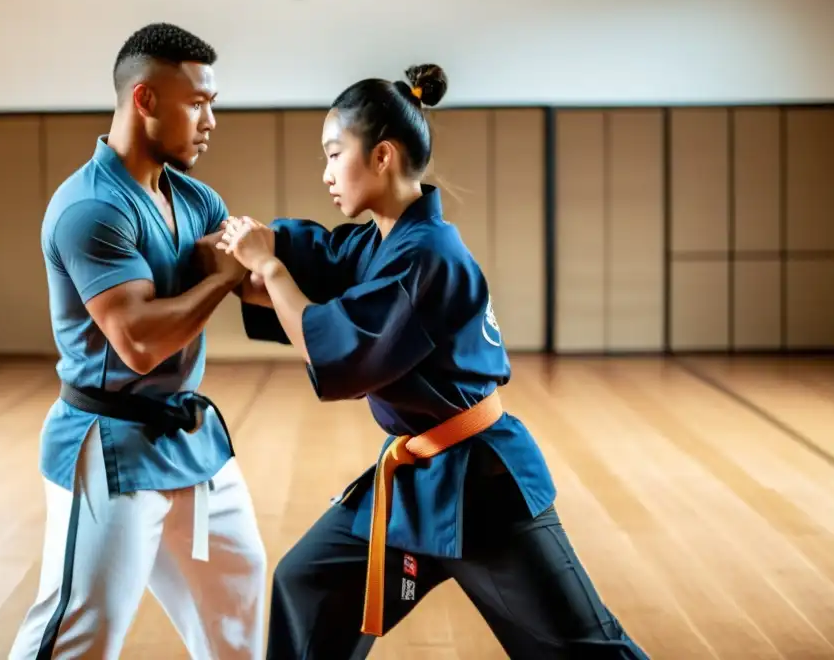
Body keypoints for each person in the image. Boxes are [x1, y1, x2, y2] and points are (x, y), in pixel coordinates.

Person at [218, 64, 649, 659]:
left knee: (586, 649)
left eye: (333, 154)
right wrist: (241, 254)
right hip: (414, 484)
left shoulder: (430, 256)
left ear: (382, 156)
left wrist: (267, 268)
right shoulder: (376, 241)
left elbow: (333, 349)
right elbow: (311, 260)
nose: (325, 173)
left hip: (481, 489)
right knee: (309, 583)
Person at [8, 23, 267, 659]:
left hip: (190, 441)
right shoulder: (91, 208)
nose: (211, 120)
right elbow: (142, 344)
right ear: (144, 100)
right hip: (109, 448)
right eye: (198, 102)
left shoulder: (197, 198)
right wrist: (227, 275)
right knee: (82, 632)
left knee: (238, 597)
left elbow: (248, 284)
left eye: (213, 103)